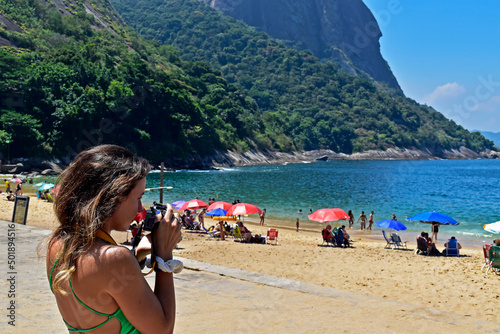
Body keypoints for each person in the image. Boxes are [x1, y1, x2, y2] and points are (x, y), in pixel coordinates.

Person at [44, 145, 181, 333]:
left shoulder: (57, 244)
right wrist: (164, 255)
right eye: (138, 198)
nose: (140, 208)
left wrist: (137, 255)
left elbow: (100, 285)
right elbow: (163, 330)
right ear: (113, 197)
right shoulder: (114, 259)